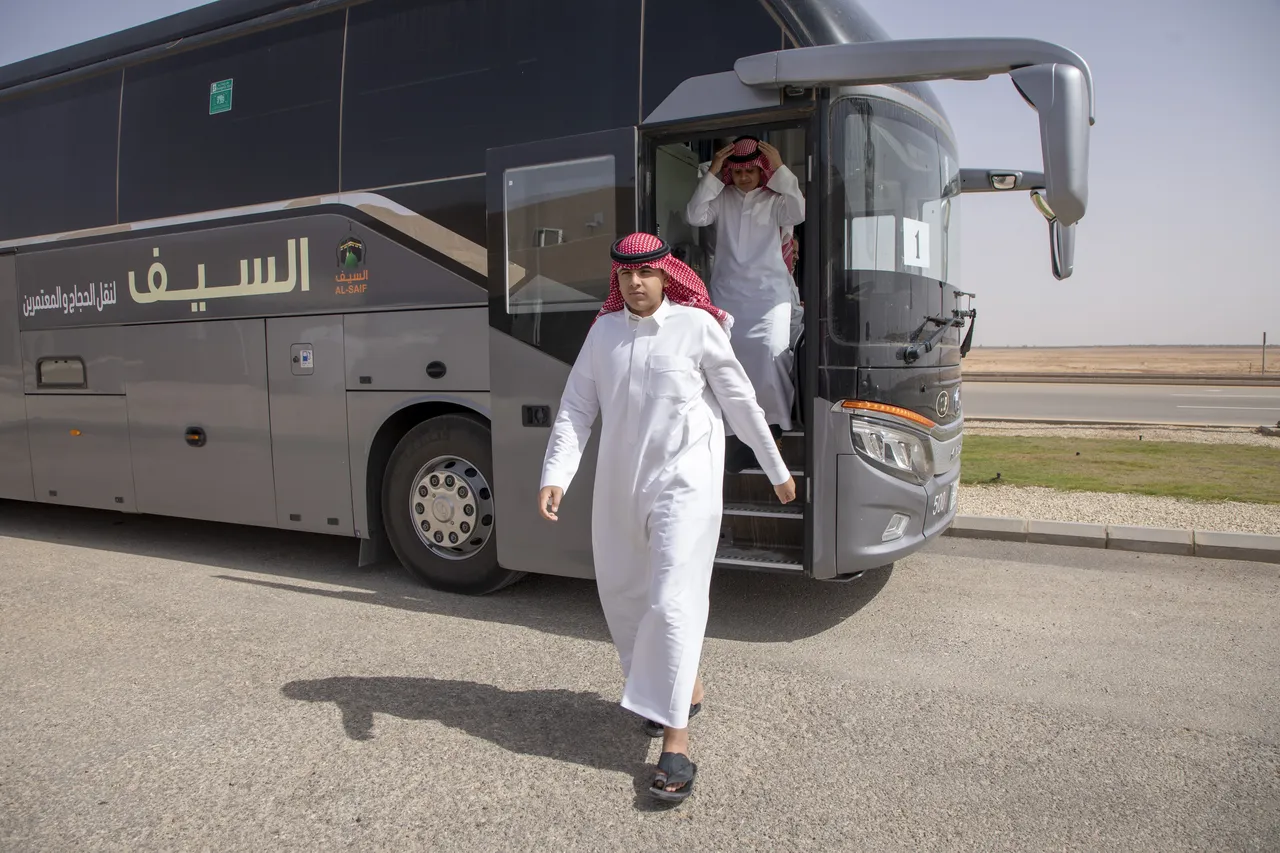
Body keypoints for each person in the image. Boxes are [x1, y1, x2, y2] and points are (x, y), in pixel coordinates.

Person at [537, 232, 796, 804]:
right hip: (619, 488)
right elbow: (577, 408)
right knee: (625, 596)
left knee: (673, 601)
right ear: (616, 279)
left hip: (686, 485)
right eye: (626, 275)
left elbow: (740, 401)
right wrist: (556, 474)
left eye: (647, 273)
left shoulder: (697, 326)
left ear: (666, 274)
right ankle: (678, 688)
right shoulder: (603, 334)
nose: (636, 283)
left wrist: (775, 468)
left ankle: (676, 742)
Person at [685, 135, 805, 471]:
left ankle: (773, 426)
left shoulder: (775, 199)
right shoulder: (721, 198)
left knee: (772, 352)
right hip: (729, 292)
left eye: (750, 171)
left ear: (761, 170)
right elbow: (695, 215)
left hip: (769, 295)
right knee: (728, 361)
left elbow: (799, 211)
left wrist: (780, 168)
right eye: (737, 172)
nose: (743, 177)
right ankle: (734, 435)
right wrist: (713, 172)